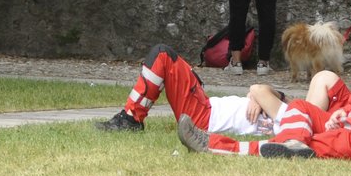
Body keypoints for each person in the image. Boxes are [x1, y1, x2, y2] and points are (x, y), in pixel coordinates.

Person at [180, 15, 351, 160]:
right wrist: (347, 113)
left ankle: (214, 146)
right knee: (300, 106)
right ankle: (292, 140)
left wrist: (346, 118)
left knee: (311, 144)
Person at [95, 43, 285, 135]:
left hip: (205, 118)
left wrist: (257, 94)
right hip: (207, 109)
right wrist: (257, 96)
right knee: (165, 59)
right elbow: (277, 94)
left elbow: (258, 88)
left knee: (163, 55)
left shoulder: (293, 120)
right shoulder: (294, 112)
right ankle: (131, 117)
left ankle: (131, 118)